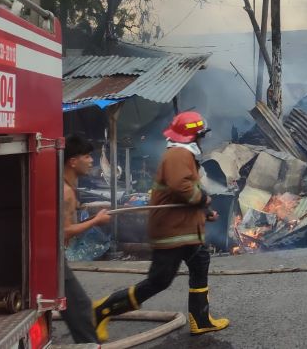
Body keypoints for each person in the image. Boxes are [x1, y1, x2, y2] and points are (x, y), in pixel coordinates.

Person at [92, 112, 229, 341]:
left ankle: (201, 319)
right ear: (193, 136)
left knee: (200, 263)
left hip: (184, 232)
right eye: (200, 136)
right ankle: (104, 309)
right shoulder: (178, 154)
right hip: (173, 233)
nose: (202, 140)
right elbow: (181, 187)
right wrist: (203, 200)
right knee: (159, 281)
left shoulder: (182, 154)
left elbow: (182, 193)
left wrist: (205, 212)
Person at [62, 134, 112, 344]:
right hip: (49, 261)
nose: (92, 160)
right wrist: (95, 222)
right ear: (73, 161)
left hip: (53, 259)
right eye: (87, 156)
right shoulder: (65, 192)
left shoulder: (68, 187)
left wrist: (94, 218)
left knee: (76, 307)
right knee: (81, 308)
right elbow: (64, 232)